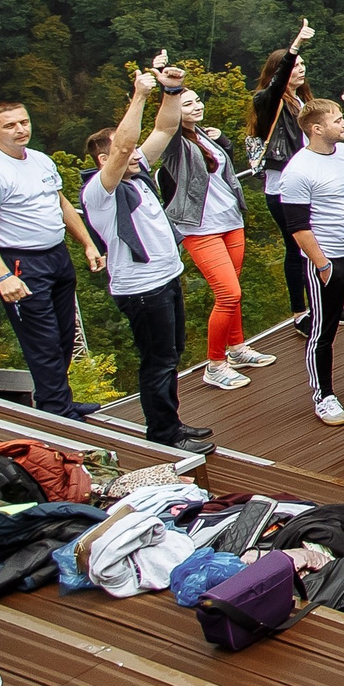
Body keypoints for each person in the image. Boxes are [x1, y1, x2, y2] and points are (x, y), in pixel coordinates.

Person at [82, 64, 211, 453]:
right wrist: (139, 95)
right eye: (125, 152)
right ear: (105, 160)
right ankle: (163, 434)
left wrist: (172, 90)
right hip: (141, 288)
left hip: (166, 277)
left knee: (169, 355)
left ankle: (171, 423)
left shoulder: (138, 174)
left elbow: (165, 129)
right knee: (157, 361)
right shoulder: (99, 192)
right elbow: (123, 146)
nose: (136, 154)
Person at [0, 103, 102, 421]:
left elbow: (61, 203)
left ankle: (56, 398)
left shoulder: (40, 160)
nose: (21, 129)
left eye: (24, 122)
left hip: (57, 255)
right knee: (43, 339)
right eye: (10, 125)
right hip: (21, 263)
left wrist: (87, 243)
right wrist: (2, 277)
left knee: (65, 333)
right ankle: (57, 410)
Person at [150, 80, 274, 391]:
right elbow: (164, 127)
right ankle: (215, 364)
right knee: (228, 293)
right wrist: (169, 90)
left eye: (196, 101)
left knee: (235, 292)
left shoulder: (204, 135)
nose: (197, 106)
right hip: (200, 228)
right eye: (187, 104)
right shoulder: (174, 143)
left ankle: (236, 347)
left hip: (229, 222)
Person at [281, 91, 344, 421]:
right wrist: (323, 265)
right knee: (323, 332)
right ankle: (323, 396)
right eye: (337, 120)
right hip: (330, 261)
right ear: (316, 128)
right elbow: (297, 227)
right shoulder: (297, 170)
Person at [253, 20, 317, 332]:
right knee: (296, 247)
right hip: (283, 187)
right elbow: (277, 84)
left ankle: (323, 301)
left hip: (308, 182)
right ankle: (300, 313)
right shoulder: (268, 99)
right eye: (294, 65)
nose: (300, 69)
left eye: (303, 63)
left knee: (318, 243)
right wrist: (295, 47)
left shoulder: (303, 100)